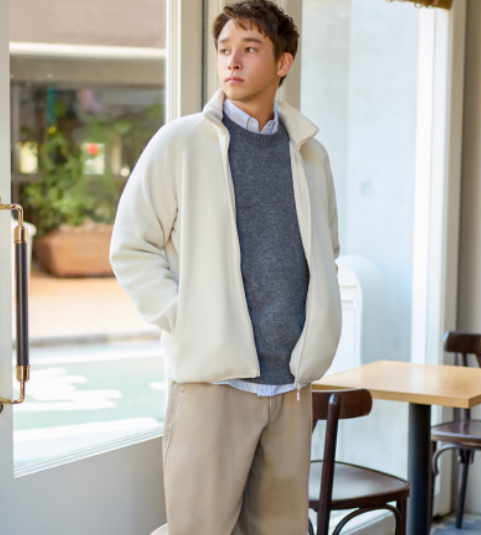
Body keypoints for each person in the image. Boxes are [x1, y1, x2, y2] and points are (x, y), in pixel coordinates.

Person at [110, 1, 342, 533]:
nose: (232, 61)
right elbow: (132, 246)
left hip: (290, 385)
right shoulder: (181, 142)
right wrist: (187, 318)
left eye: (249, 48)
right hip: (212, 385)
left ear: (283, 63)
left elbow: (324, 251)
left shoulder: (311, 156)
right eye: (224, 49)